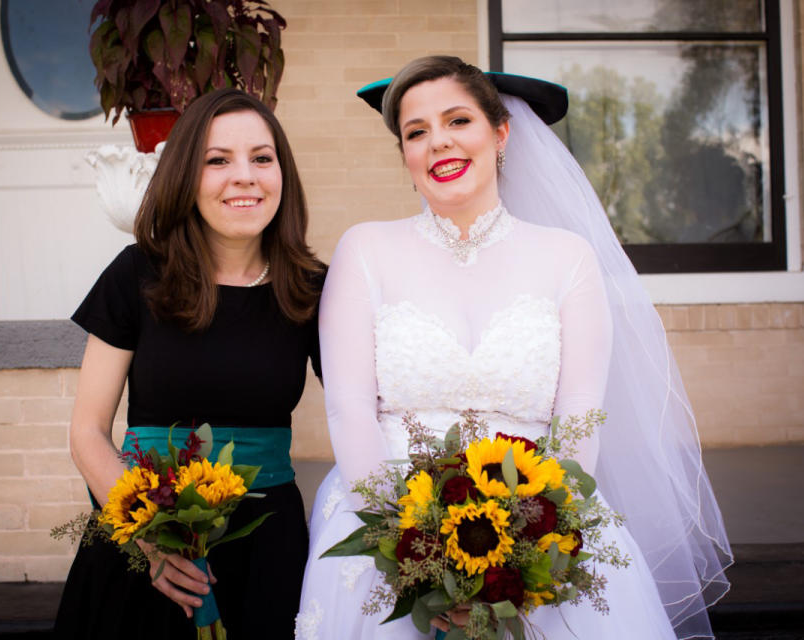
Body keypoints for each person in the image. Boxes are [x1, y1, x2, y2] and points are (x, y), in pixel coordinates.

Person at [296, 56, 731, 639]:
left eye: (458, 121)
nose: (438, 143)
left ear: (500, 133)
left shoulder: (567, 256)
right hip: (386, 519)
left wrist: (531, 538)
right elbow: (347, 407)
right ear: (404, 154)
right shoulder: (365, 249)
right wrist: (408, 544)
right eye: (416, 132)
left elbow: (579, 413)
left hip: (537, 514)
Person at [54, 88, 324, 640]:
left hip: (266, 547)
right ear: (185, 175)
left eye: (262, 158)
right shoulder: (136, 275)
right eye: (217, 160)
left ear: (282, 174)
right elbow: (87, 432)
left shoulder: (314, 289)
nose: (244, 176)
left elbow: (369, 409)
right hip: (143, 545)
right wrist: (150, 540)